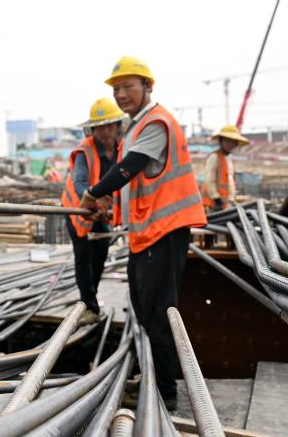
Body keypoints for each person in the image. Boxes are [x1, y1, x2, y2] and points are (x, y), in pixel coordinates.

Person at [80, 56, 206, 412]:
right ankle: (150, 380)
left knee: (159, 313)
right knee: (143, 310)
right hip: (147, 233)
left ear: (147, 86)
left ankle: (164, 392)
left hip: (164, 231)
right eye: (116, 89)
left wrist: (94, 194)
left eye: (128, 87)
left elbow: (129, 168)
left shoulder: (156, 122)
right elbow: (135, 182)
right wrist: (111, 205)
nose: (121, 94)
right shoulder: (136, 125)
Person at [60, 98, 124, 324]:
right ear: (92, 129)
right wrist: (93, 201)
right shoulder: (84, 150)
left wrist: (109, 207)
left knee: (101, 251)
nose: (105, 131)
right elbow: (79, 183)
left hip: (99, 210)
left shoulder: (122, 149)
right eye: (100, 127)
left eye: (109, 126)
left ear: (118, 126)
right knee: (83, 255)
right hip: (77, 209)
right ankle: (89, 306)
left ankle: (91, 296)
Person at [201, 124, 248, 212]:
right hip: (213, 205)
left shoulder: (229, 159)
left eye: (233, 142)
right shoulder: (214, 157)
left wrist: (232, 198)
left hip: (225, 204)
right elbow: (209, 180)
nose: (231, 144)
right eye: (228, 141)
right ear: (221, 141)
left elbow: (229, 181)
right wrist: (216, 198)